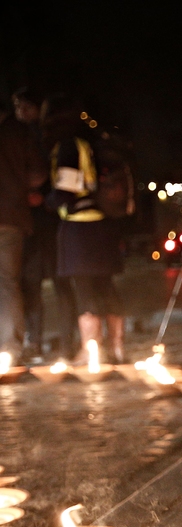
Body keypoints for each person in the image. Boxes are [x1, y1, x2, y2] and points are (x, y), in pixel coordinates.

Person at [42, 95, 129, 364]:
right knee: (106, 286)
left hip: (79, 229)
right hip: (104, 225)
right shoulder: (94, 143)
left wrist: (46, 201)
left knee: (85, 288)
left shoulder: (69, 146)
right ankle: (117, 348)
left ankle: (91, 351)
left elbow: (66, 190)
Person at [13, 88, 73, 362]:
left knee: (61, 282)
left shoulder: (47, 137)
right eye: (17, 107)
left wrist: (45, 198)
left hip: (51, 221)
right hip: (31, 223)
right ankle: (34, 341)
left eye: (25, 107)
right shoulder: (19, 136)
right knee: (30, 284)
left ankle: (68, 341)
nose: (20, 113)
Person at [0, 89, 45, 359]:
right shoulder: (19, 132)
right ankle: (9, 348)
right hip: (11, 218)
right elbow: (38, 174)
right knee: (7, 282)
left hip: (11, 216)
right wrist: (19, 187)